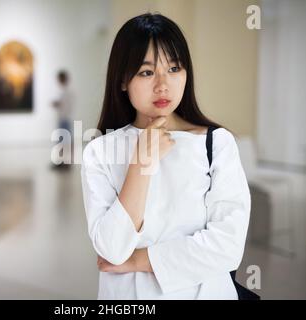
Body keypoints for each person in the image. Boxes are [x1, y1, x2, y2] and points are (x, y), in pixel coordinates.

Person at [81, 13, 251, 299]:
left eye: (174, 68)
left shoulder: (217, 143)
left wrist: (138, 260)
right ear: (123, 80)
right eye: (147, 72)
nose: (163, 84)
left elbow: (228, 248)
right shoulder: (100, 151)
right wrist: (140, 165)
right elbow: (110, 249)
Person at [51, 70, 74, 170]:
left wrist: (57, 104)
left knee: (64, 141)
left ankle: (65, 163)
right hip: (63, 119)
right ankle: (62, 162)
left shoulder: (66, 92)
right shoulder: (64, 91)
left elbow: (64, 105)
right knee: (62, 141)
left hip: (64, 119)